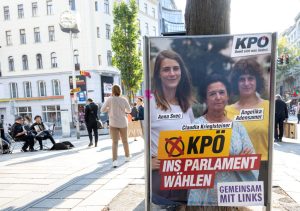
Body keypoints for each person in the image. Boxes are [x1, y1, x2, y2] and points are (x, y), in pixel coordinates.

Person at [188, 74, 258, 206]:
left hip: (232, 198)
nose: (218, 97)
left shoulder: (238, 128)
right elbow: (185, 165)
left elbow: (251, 161)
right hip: (203, 199)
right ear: (205, 98)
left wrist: (244, 164)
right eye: (212, 94)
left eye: (221, 92)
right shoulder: (194, 127)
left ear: (228, 96)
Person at [151, 50, 195, 207]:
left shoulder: (185, 103)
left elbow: (194, 137)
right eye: (166, 69)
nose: (172, 73)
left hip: (186, 178)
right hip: (163, 181)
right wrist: (149, 161)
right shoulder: (150, 101)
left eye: (176, 68)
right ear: (158, 74)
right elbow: (143, 136)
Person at [225, 58, 269, 204]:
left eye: (250, 78)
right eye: (241, 79)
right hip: (234, 169)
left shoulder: (269, 107)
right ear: (236, 83)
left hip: (262, 167)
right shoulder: (226, 111)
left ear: (257, 81)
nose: (246, 83)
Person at [101, 84, 131, 168]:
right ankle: (127, 157)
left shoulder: (109, 99)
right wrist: (123, 110)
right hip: (123, 123)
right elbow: (129, 110)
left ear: (112, 91)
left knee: (114, 142)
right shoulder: (123, 99)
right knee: (125, 141)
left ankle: (115, 161)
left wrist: (109, 109)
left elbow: (102, 109)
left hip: (113, 123)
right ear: (120, 91)